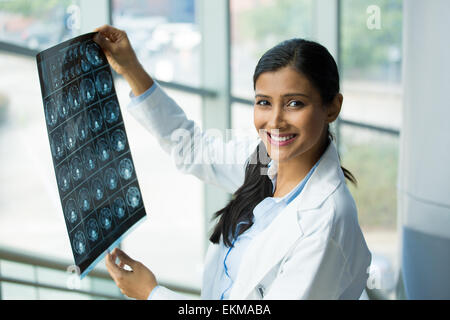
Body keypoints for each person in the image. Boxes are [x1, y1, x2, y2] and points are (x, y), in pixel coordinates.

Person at [93, 24, 371, 300]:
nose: (274, 121)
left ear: (333, 107)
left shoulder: (326, 221)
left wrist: (152, 294)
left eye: (294, 103)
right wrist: (130, 68)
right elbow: (193, 148)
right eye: (264, 102)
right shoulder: (263, 160)